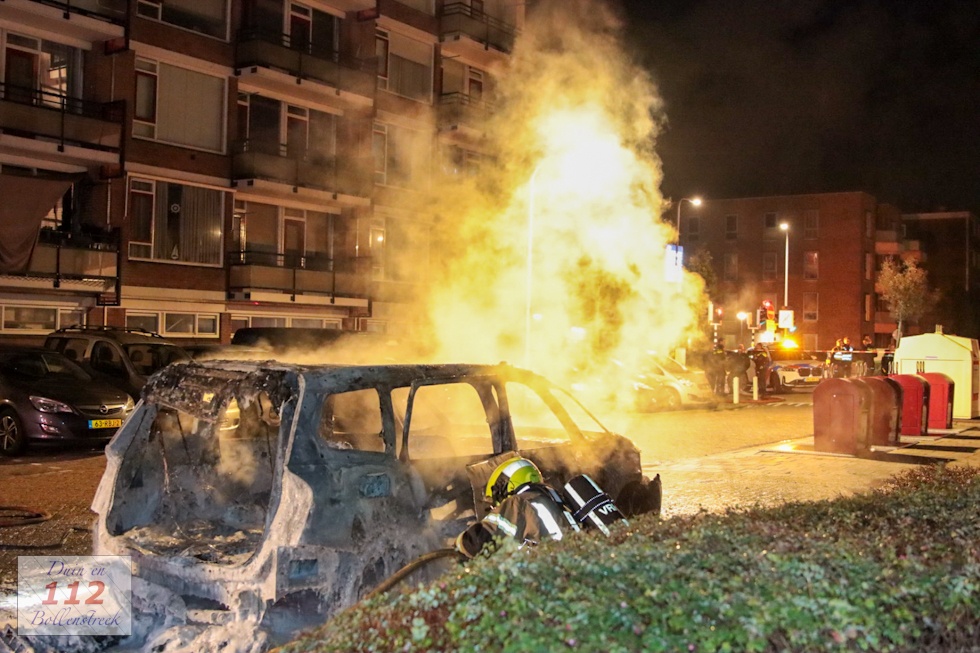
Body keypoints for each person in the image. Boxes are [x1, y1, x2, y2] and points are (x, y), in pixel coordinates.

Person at [454, 457, 623, 558]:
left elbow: (479, 540)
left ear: (506, 485)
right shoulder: (555, 499)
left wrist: (460, 542)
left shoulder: (518, 503)